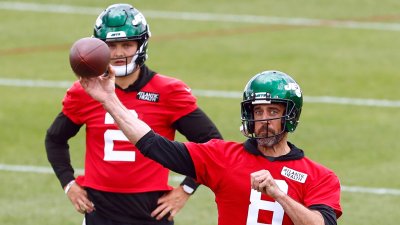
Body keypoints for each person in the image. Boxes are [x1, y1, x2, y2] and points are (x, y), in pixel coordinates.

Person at [79, 68, 343, 225]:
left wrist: (279, 194)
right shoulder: (221, 156)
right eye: (257, 111)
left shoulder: (320, 176)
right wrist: (109, 100)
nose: (263, 120)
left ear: (290, 116)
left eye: (273, 111)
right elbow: (152, 144)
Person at [45, 3, 222, 225]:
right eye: (111, 45)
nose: (119, 53)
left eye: (127, 45)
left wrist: (186, 189)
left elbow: (213, 144)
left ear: (141, 44)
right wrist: (69, 184)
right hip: (100, 211)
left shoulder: (168, 92)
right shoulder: (84, 91)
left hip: (150, 211)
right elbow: (55, 138)